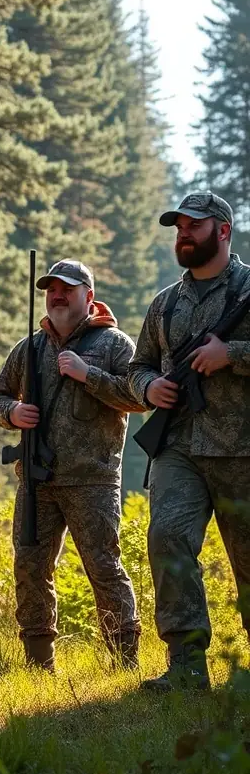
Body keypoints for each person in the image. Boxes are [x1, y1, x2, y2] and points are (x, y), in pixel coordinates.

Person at [0, 258, 145, 673]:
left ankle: (124, 663)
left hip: (92, 480)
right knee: (29, 568)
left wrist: (87, 374)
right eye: (51, 289)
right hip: (36, 480)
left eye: (67, 289)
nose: (57, 296)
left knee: (104, 568)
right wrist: (12, 412)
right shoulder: (29, 348)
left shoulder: (114, 345)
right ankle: (38, 665)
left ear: (88, 296)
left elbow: (138, 398)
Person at [129, 192, 250, 692]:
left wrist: (232, 355)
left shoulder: (247, 290)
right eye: (179, 226)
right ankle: (186, 664)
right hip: (178, 447)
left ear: (222, 231)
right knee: (167, 538)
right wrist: (149, 388)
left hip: (243, 448)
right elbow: (138, 366)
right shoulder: (165, 303)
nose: (183, 233)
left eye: (194, 225)